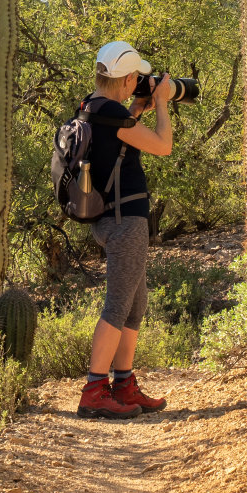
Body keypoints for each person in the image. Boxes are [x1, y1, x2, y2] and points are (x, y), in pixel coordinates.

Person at [77, 39, 175, 420]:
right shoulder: (110, 116)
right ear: (129, 77)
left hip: (109, 217)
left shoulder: (92, 106)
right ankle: (95, 389)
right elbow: (163, 145)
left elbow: (114, 141)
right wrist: (162, 102)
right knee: (118, 305)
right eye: (137, 78)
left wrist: (136, 108)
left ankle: (123, 384)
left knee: (135, 304)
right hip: (124, 221)